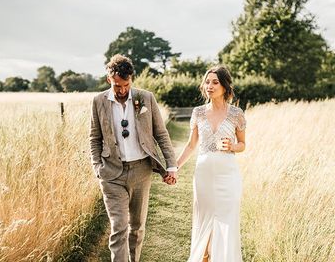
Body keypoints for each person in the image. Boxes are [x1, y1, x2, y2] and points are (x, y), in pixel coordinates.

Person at [89, 54, 178, 262]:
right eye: (117, 85)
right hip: (111, 174)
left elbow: (161, 134)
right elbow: (94, 137)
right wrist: (97, 167)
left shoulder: (145, 98)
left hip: (141, 171)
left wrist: (171, 165)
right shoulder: (98, 101)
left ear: (131, 79)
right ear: (109, 79)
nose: (122, 91)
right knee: (118, 227)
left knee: (137, 228)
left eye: (126, 85)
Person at [176, 65, 247, 262]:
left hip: (228, 176)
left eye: (215, 82)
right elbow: (191, 145)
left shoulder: (236, 114)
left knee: (227, 220)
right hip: (204, 175)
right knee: (204, 219)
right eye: (207, 82)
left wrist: (232, 146)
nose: (210, 86)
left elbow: (243, 145)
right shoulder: (198, 112)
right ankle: (204, 258)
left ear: (225, 86)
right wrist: (175, 167)